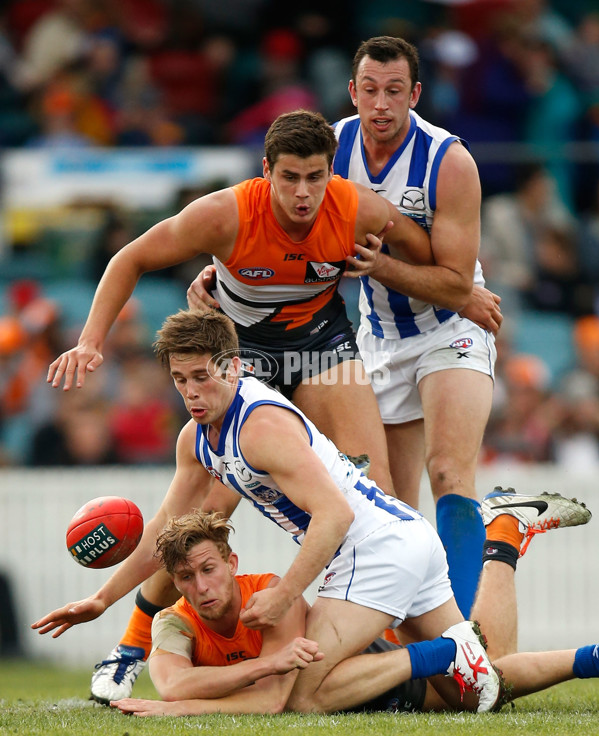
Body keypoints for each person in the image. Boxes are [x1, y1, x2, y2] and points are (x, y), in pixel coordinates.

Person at [43, 107, 500, 701]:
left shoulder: (357, 207)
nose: (304, 192)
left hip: (319, 349)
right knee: (203, 513)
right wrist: (90, 341)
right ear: (266, 172)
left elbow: (436, 262)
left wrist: (462, 295)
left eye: (316, 177)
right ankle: (131, 645)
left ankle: (389, 640)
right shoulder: (224, 214)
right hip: (243, 357)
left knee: (381, 489)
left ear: (331, 174)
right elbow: (129, 257)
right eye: (290, 178)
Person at [33, 310, 592, 714]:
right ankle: (583, 649)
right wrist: (101, 600)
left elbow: (334, 517)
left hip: (373, 547)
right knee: (474, 693)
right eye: (180, 380)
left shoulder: (261, 427)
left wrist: (283, 592)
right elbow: (160, 532)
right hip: (398, 537)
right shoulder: (194, 438)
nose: (191, 391)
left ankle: (441, 651)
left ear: (231, 367)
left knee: (303, 695)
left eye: (202, 375)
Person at [188, 38, 503, 620]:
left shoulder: (448, 161)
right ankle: (407, 638)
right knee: (389, 506)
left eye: (394, 92)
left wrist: (385, 268)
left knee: (448, 470)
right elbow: (268, 217)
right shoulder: (328, 148)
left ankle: (460, 635)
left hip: (449, 325)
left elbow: (459, 285)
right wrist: (227, 272)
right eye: (370, 91)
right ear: (352, 92)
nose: (381, 105)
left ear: (415, 95)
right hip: (375, 336)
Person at [110, 495, 596, 718]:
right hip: (362, 688)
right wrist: (268, 665)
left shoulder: (269, 593)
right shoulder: (175, 621)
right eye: (185, 578)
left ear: (231, 562)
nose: (200, 586)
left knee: (486, 684)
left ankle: (502, 535)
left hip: (374, 674)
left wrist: (183, 711)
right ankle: (507, 536)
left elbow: (273, 701)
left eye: (208, 569)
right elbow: (173, 684)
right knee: (489, 674)